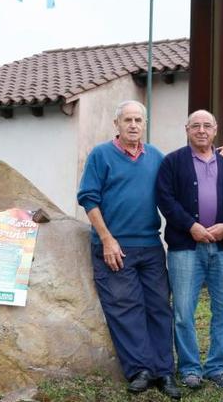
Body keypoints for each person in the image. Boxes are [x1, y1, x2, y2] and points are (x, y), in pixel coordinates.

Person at [77, 100, 181, 399]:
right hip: (114, 246)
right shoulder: (101, 155)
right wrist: (107, 239)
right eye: (127, 120)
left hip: (150, 245)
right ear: (117, 124)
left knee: (160, 307)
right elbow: (88, 199)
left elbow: (184, 180)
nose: (133, 125)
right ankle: (140, 370)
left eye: (138, 120)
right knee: (126, 309)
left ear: (144, 123)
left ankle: (164, 371)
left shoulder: (157, 157)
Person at [156, 110, 223, 390]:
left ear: (216, 129)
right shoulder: (172, 162)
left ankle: (218, 367)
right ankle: (189, 368)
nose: (201, 130)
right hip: (185, 248)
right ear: (186, 129)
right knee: (184, 311)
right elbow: (165, 199)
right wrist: (191, 226)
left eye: (206, 125)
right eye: (195, 125)